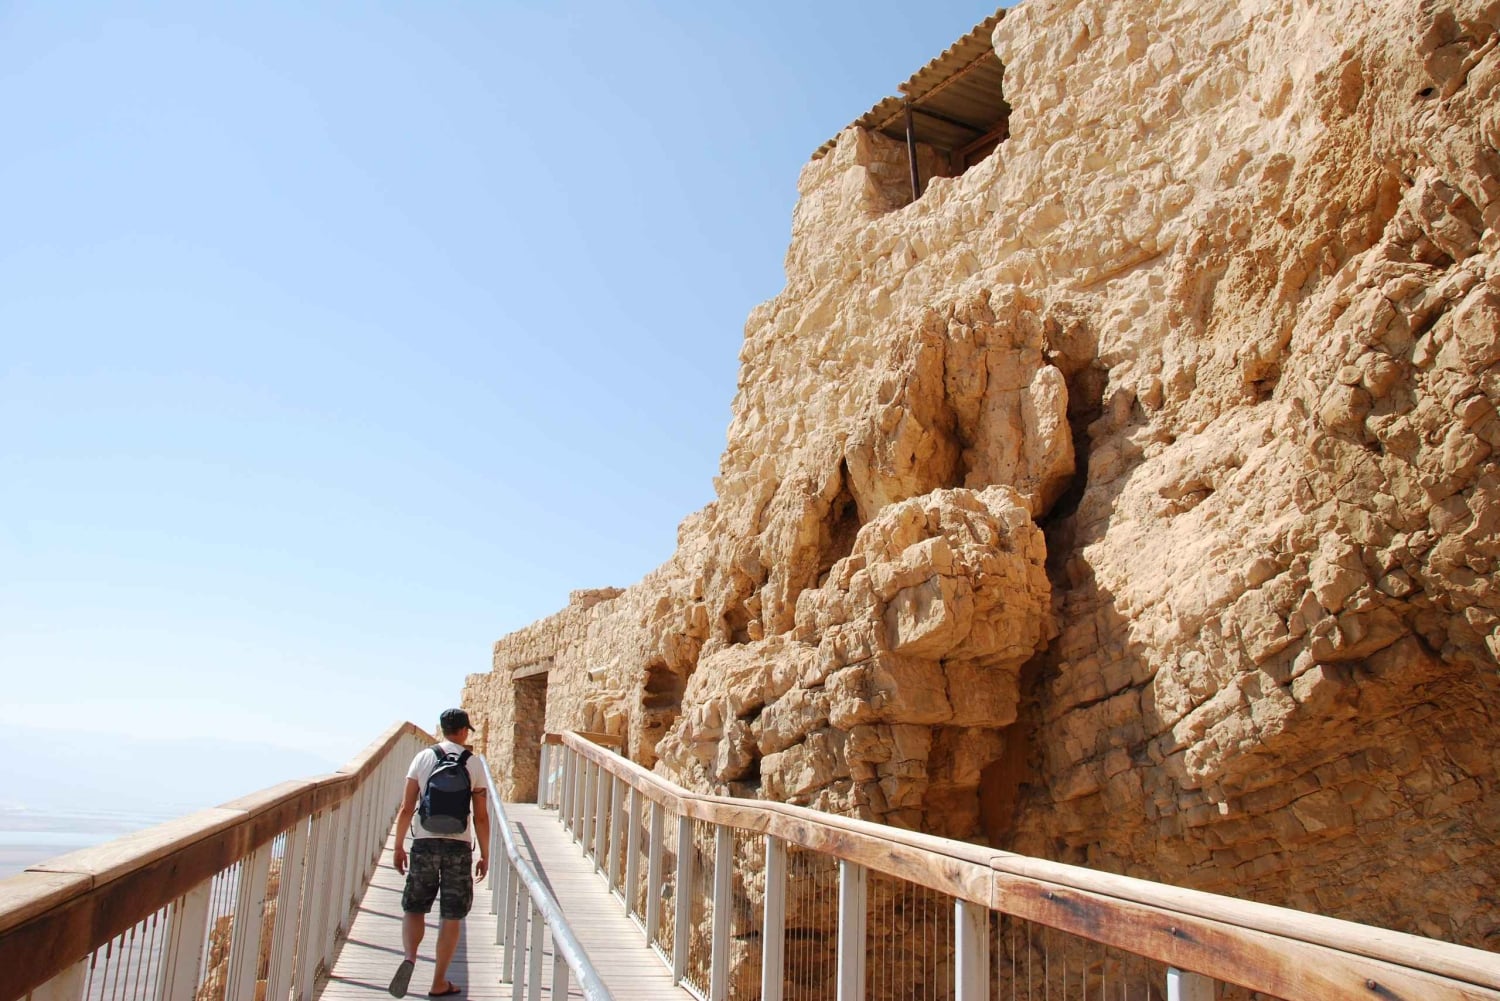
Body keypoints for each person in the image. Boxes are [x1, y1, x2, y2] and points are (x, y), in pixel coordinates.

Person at [388, 709, 490, 998]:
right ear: (463, 732)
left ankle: (410, 955)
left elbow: (407, 808)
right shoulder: (473, 764)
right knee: (452, 915)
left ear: (443, 729)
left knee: (415, 906)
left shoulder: (422, 758)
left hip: (425, 842)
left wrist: (398, 846)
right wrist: (485, 854)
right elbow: (481, 817)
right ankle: (439, 981)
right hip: (458, 846)